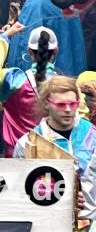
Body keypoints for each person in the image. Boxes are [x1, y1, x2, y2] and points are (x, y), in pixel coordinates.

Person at [13, 75, 96, 222]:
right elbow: (18, 192)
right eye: (61, 104)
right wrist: (57, 196)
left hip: (91, 223)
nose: (68, 109)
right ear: (46, 104)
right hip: (49, 223)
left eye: (73, 104)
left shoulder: (92, 135)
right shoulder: (28, 143)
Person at [0, 24, 58, 156]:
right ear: (55, 51)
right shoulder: (65, 88)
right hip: (52, 158)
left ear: (29, 51)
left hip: (16, 157)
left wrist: (4, 37)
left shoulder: (13, 82)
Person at [5, 0, 86, 76]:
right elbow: (78, 44)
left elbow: (24, 42)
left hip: (42, 77)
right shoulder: (68, 0)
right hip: (69, 75)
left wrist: (17, 76)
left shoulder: (36, 3)